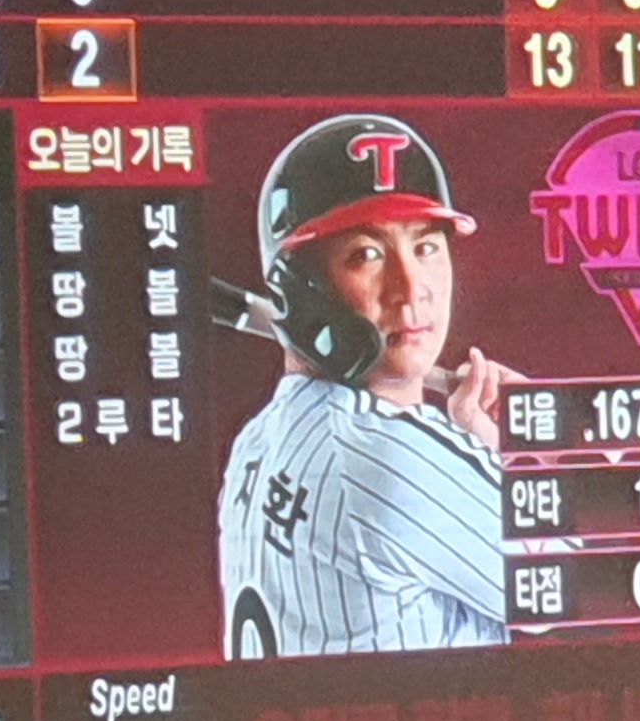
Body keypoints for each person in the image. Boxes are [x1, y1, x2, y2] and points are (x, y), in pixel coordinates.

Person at [214, 112, 515, 656]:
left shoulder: (255, 442)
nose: (411, 288)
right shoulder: (387, 454)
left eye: (426, 246)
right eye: (366, 255)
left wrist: (478, 448)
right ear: (298, 292)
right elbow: (603, 595)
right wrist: (530, 452)